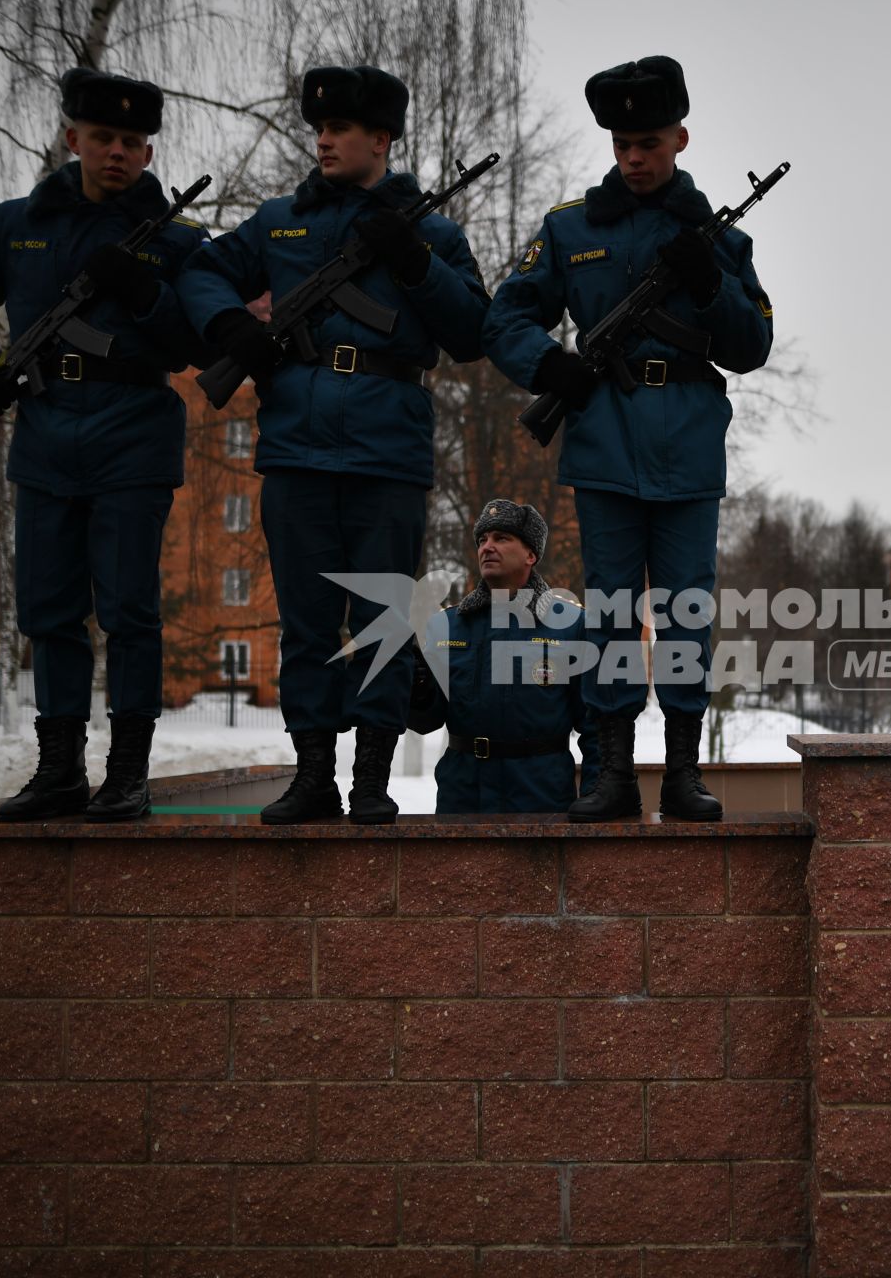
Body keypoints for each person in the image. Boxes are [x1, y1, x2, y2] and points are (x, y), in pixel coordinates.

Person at [178, 65, 488, 824]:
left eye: (341, 129)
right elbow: (202, 271)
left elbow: (476, 329)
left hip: (388, 448)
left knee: (384, 619)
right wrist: (231, 327)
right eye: (318, 128)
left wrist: (413, 260)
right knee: (308, 625)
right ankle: (313, 773)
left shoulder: (433, 229)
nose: (323, 140)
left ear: (381, 140)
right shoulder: (283, 219)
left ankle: (372, 782)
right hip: (296, 447)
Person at [483, 55, 774, 822]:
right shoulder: (570, 228)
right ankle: (611, 772)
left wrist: (709, 281)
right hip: (605, 439)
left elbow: (750, 345)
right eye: (623, 144)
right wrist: (551, 365)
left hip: (686, 441)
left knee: (685, 610)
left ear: (680, 136)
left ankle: (682, 771)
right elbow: (505, 316)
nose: (635, 158)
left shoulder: (715, 235)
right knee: (610, 610)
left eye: (649, 141)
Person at [0, 68, 210, 822]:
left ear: (149, 154)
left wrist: (146, 290)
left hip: (133, 433)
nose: (117, 152)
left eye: (132, 142)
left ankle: (128, 772)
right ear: (71, 137)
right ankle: (58, 769)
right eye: (103, 138)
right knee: (47, 611)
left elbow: (195, 343)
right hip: (46, 432)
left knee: (127, 611)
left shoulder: (177, 238)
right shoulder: (16, 223)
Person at [408, 500, 600, 813]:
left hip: (541, 795)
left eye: (501, 538)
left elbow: (595, 728)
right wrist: (416, 688)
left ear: (531, 554)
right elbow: (425, 721)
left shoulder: (570, 625)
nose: (488, 547)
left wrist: (594, 795)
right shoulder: (447, 625)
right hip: (464, 795)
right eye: (482, 540)